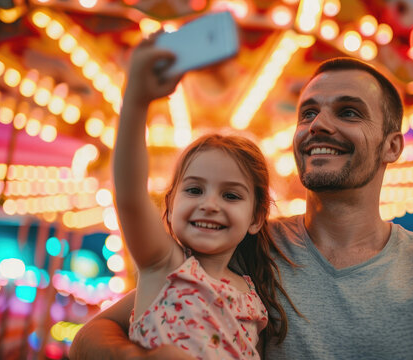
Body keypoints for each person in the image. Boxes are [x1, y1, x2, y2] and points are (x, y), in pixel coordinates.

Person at [70, 49, 413, 358]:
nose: (320, 125)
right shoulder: (245, 247)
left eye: (349, 112)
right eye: (308, 113)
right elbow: (94, 334)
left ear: (392, 146)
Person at [103, 34, 299, 359]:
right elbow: (129, 194)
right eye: (194, 190)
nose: (209, 204)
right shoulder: (164, 265)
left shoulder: (252, 296)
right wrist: (136, 98)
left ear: (256, 218)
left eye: (231, 196)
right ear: (170, 205)